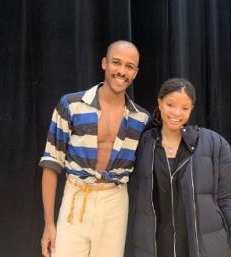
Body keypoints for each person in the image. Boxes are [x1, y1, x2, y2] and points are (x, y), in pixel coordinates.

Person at [39, 40, 150, 257]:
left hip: (115, 201)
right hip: (76, 197)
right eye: (116, 63)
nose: (121, 71)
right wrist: (48, 224)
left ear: (135, 72)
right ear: (104, 63)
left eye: (129, 66)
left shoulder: (141, 118)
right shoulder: (71, 105)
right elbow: (51, 164)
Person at [126, 78, 231, 257]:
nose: (176, 113)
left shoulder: (215, 144)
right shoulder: (142, 142)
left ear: (191, 109)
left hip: (202, 244)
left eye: (184, 108)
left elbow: (228, 198)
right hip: (156, 243)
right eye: (170, 104)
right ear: (160, 102)